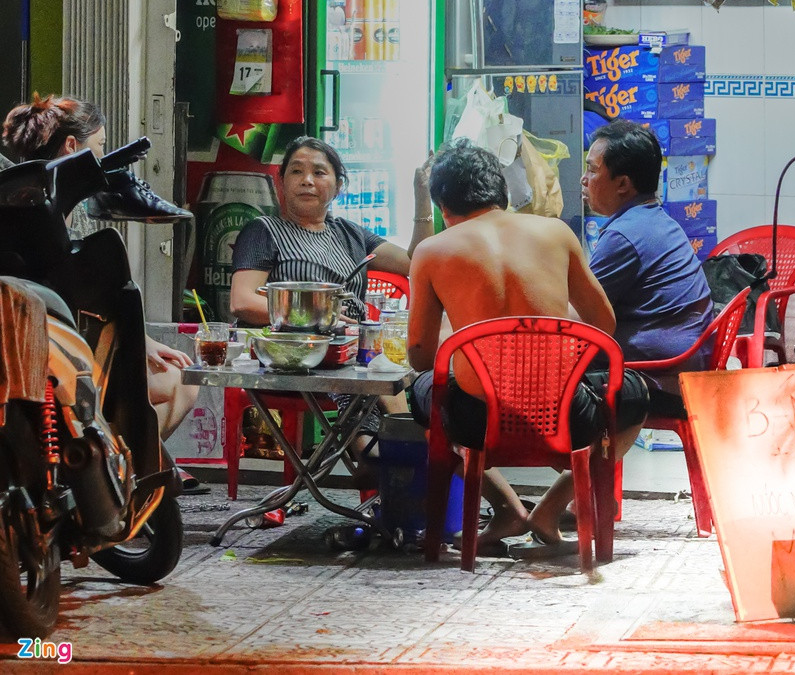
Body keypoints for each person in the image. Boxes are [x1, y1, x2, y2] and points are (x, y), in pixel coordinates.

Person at [406, 139, 649, 552]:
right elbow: (603, 325)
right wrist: (554, 350)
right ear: (502, 193)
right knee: (635, 394)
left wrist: (464, 343)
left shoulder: (430, 251)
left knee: (420, 393)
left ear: (444, 209)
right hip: (565, 416)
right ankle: (552, 506)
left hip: (477, 422)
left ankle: (504, 507)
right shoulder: (556, 232)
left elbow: (421, 356)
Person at [229, 135, 434, 479]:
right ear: (281, 182)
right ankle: (383, 461)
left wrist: (422, 198)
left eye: (319, 172)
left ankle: (400, 461)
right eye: (296, 171)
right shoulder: (263, 231)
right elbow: (242, 300)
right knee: (362, 380)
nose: (307, 180)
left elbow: (419, 262)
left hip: (350, 353)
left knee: (412, 375)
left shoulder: (350, 234)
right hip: (292, 356)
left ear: (338, 186)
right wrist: (315, 318)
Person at [2, 94, 200, 449]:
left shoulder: (48, 203)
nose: (104, 157)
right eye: (101, 145)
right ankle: (124, 476)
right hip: (47, 348)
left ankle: (122, 473)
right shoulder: (45, 212)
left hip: (67, 337)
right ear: (72, 146)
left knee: (179, 379)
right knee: (179, 382)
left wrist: (145, 342)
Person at [582, 119, 713, 417]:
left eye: (592, 169)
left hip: (661, 377)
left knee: (547, 361)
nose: (583, 179)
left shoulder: (624, 235)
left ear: (623, 184)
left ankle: (574, 459)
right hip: (685, 363)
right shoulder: (654, 219)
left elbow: (581, 316)